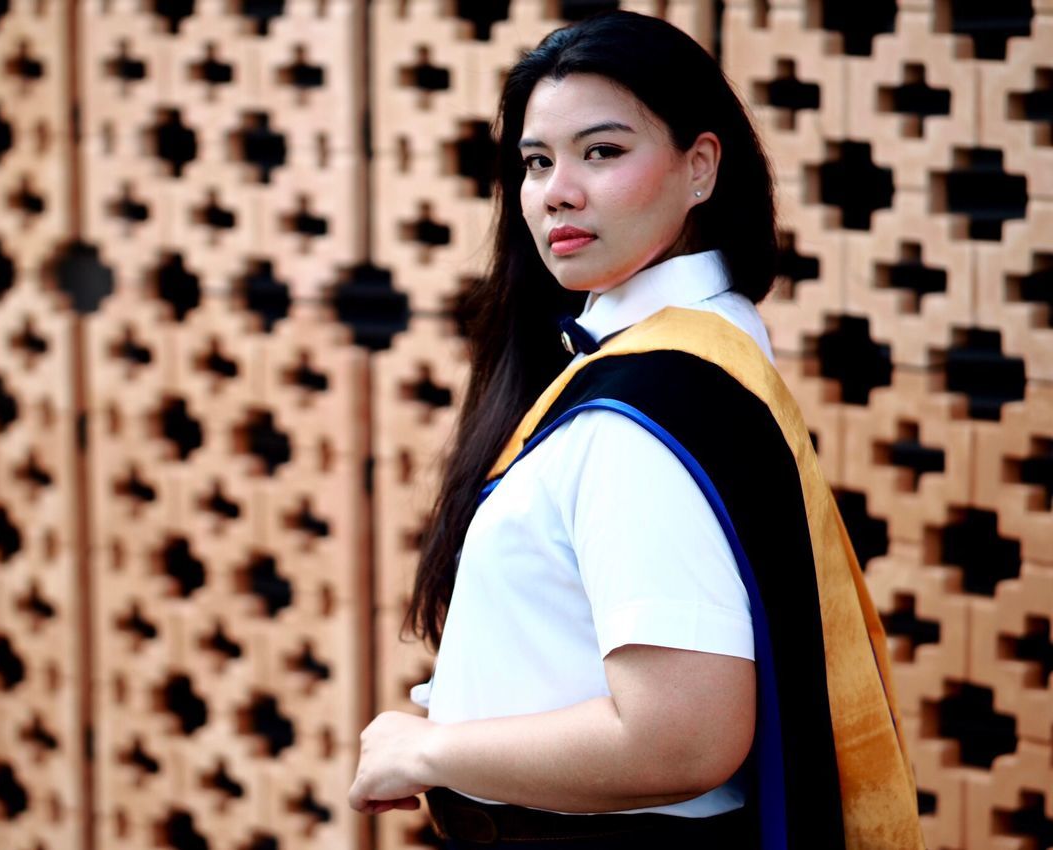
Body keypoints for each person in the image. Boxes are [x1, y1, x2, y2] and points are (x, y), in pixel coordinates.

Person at [349, 11, 922, 849]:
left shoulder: (643, 410)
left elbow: (680, 738)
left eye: (602, 152)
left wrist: (431, 751)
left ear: (700, 167)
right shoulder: (700, 347)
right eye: (537, 162)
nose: (557, 192)